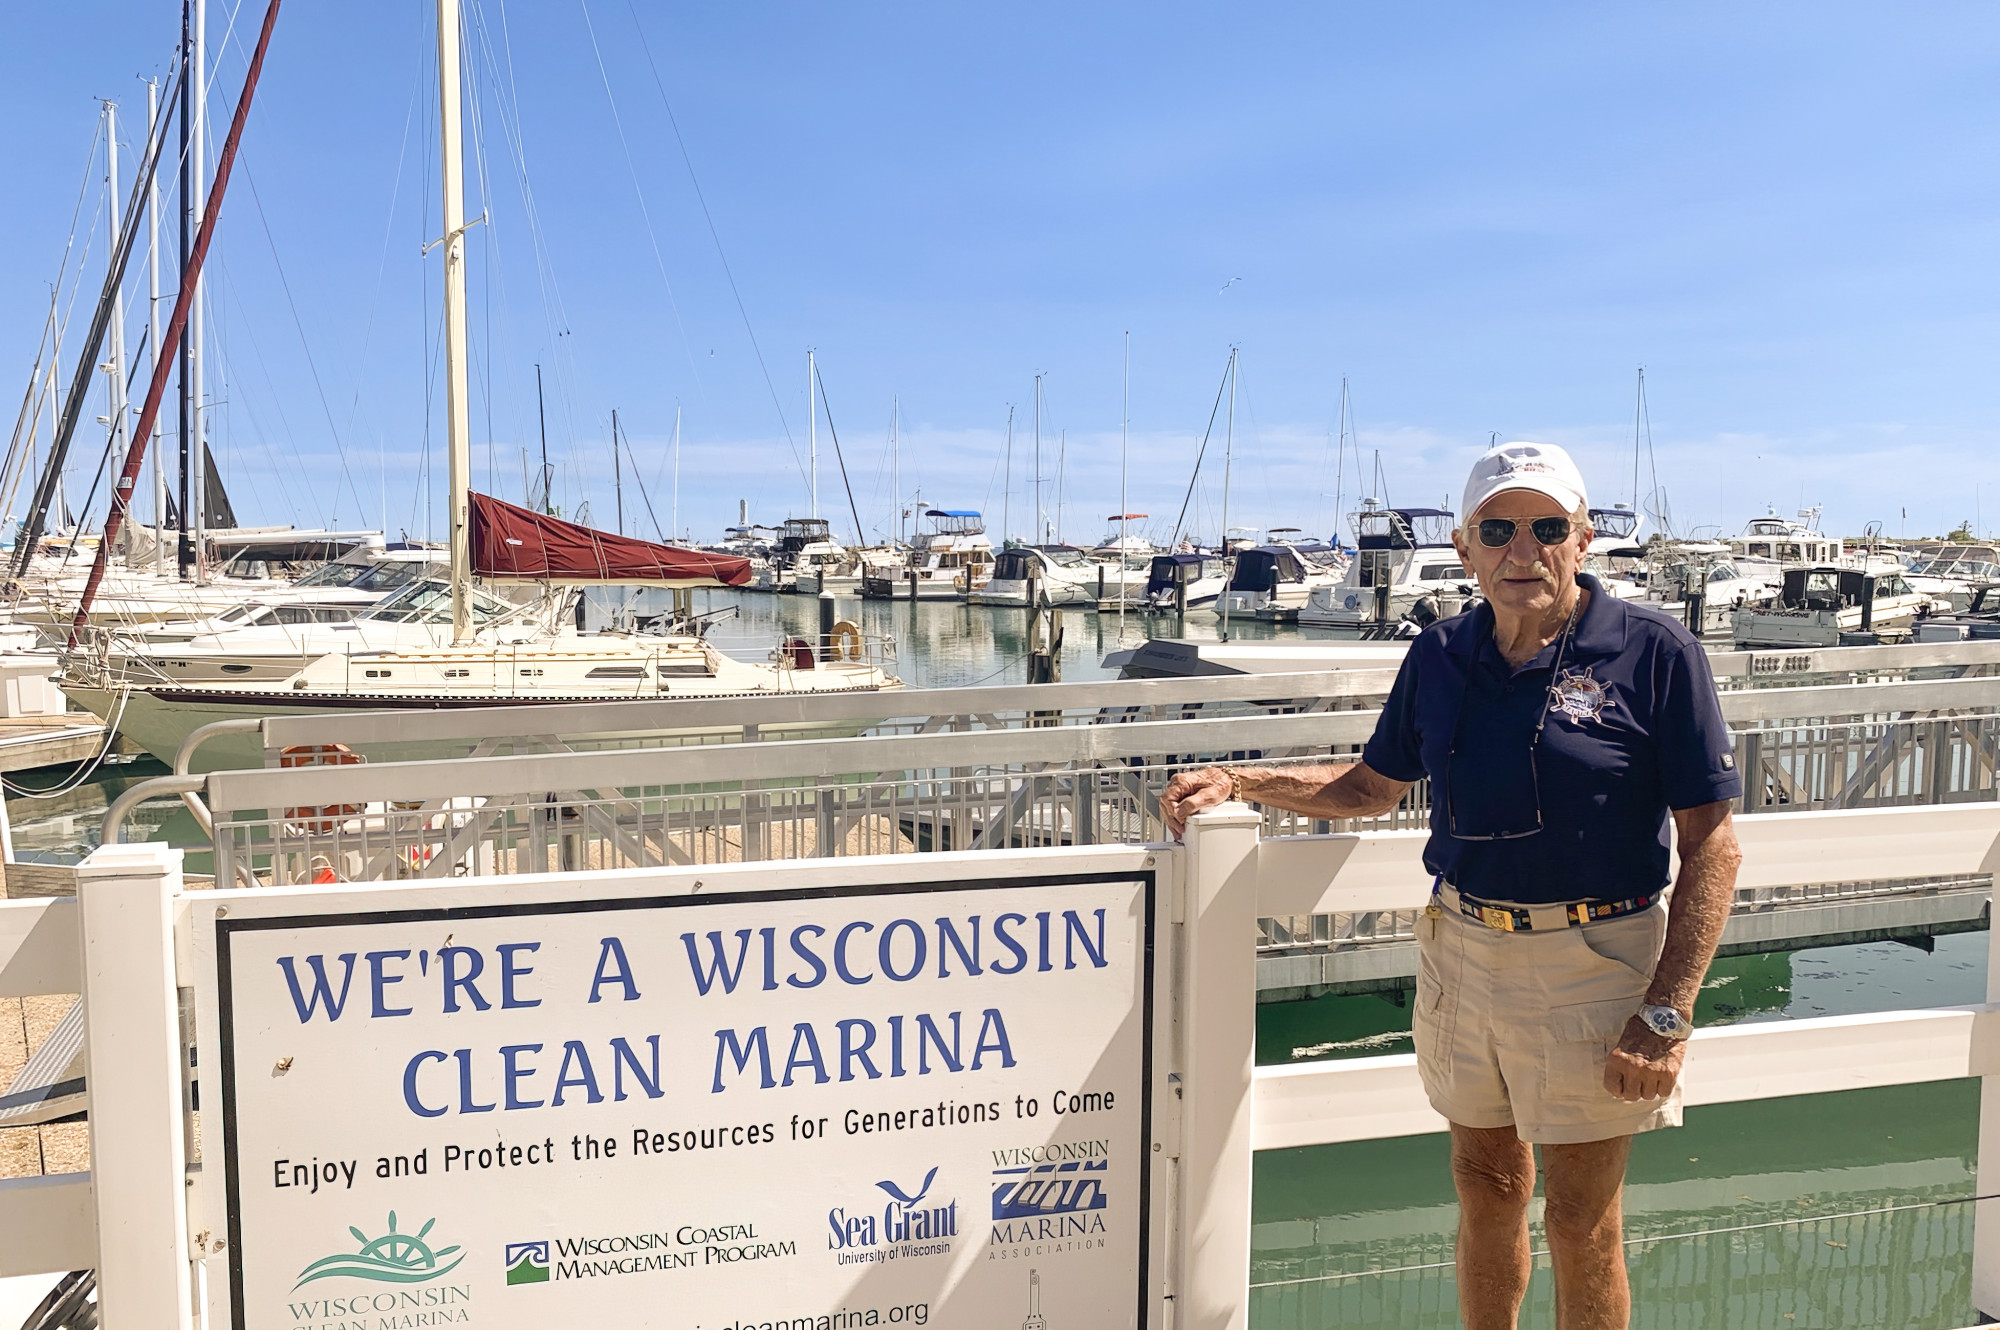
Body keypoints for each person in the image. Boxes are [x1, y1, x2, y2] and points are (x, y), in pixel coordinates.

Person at [1162, 441, 1743, 1330]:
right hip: (1461, 951)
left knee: (1583, 1221)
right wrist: (1243, 783)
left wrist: (1665, 1014)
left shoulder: (1654, 653)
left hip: (1594, 960)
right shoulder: (1439, 654)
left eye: (1547, 527)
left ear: (1583, 541)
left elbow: (1714, 847)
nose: (1523, 550)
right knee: (1486, 1188)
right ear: (1467, 548)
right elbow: (1369, 786)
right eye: (1498, 529)